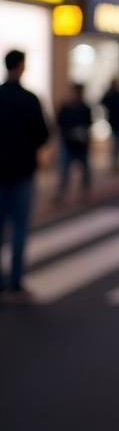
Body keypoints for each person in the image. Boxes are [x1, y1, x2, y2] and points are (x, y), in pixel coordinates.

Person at [0, 50, 50, 298]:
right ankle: (16, 281)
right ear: (21, 66)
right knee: (20, 227)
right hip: (22, 170)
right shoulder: (29, 99)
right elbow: (43, 134)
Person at [55, 83, 92, 201]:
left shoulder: (85, 108)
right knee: (64, 170)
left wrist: (83, 132)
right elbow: (59, 122)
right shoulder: (66, 107)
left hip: (81, 144)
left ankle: (85, 190)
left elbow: (89, 122)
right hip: (68, 143)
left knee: (85, 169)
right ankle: (62, 192)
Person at [100, 79, 119, 173]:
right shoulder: (112, 95)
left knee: (117, 144)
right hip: (113, 122)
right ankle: (114, 163)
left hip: (118, 122)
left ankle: (116, 163)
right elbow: (102, 102)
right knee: (115, 144)